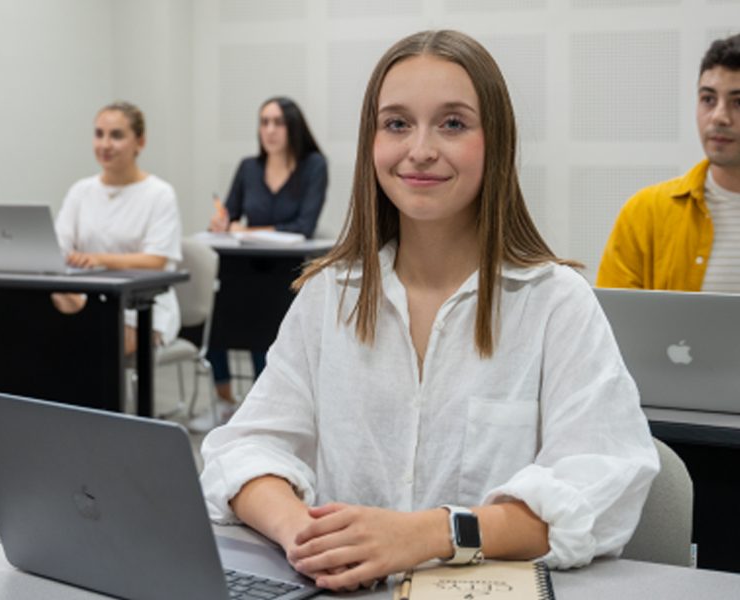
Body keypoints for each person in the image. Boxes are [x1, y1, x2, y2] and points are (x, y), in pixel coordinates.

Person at [200, 30, 659, 592]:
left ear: (496, 142)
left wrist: (432, 533)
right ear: (372, 141)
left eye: (453, 124)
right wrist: (304, 535)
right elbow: (246, 449)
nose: (419, 149)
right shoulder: (329, 296)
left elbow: (602, 486)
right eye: (396, 124)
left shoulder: (555, 302)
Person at [204, 97, 328, 420]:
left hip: (289, 271)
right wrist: (220, 224)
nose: (269, 130)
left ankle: (264, 408)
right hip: (242, 266)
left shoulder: (313, 165)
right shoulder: (249, 167)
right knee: (216, 323)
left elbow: (305, 226)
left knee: (265, 331)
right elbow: (228, 217)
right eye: (264, 122)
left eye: (278, 122)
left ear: (293, 127)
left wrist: (244, 227)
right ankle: (226, 403)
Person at [598, 33, 740, 291]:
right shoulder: (644, 213)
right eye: (708, 99)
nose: (719, 117)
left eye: (738, 103)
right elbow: (615, 325)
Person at [52, 101, 183, 354]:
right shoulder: (80, 191)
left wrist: (96, 259)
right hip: (87, 298)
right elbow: (59, 247)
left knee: (97, 340)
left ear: (140, 142)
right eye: (99, 134)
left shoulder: (160, 194)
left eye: (116, 135)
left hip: (142, 306)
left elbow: (156, 260)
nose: (105, 144)